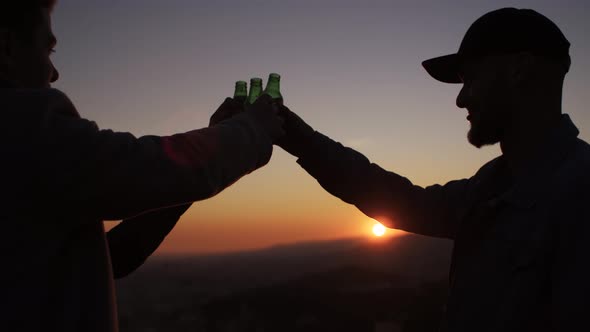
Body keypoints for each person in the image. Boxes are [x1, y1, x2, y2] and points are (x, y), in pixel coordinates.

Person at [277, 8, 589, 331]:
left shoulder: (579, 193)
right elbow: (401, 201)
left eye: (471, 78)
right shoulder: (490, 185)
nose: (460, 99)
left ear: (519, 70)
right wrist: (296, 137)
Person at [0, 1, 284, 331]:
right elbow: (150, 166)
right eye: (47, 49)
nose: (54, 72)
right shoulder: (20, 129)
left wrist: (210, 145)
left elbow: (108, 259)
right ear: (6, 47)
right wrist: (253, 130)